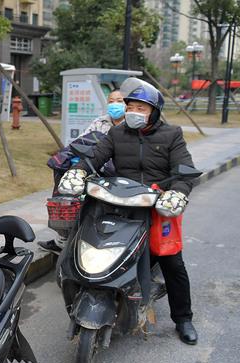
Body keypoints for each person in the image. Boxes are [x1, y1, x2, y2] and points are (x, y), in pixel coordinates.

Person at [58, 77, 198, 345]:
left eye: (141, 108)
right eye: (130, 106)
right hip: (118, 202)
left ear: (154, 112)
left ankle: (183, 318)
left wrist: (178, 192)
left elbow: (184, 171)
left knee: (172, 261)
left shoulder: (172, 135)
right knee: (84, 238)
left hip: (156, 206)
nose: (134, 112)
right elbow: (94, 158)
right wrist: (78, 171)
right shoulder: (116, 133)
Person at [38, 89, 125, 254]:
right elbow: (81, 143)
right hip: (92, 166)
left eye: (119, 100)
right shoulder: (100, 123)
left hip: (117, 172)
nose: (115, 104)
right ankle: (63, 236)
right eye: (111, 101)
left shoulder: (130, 126)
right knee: (67, 191)